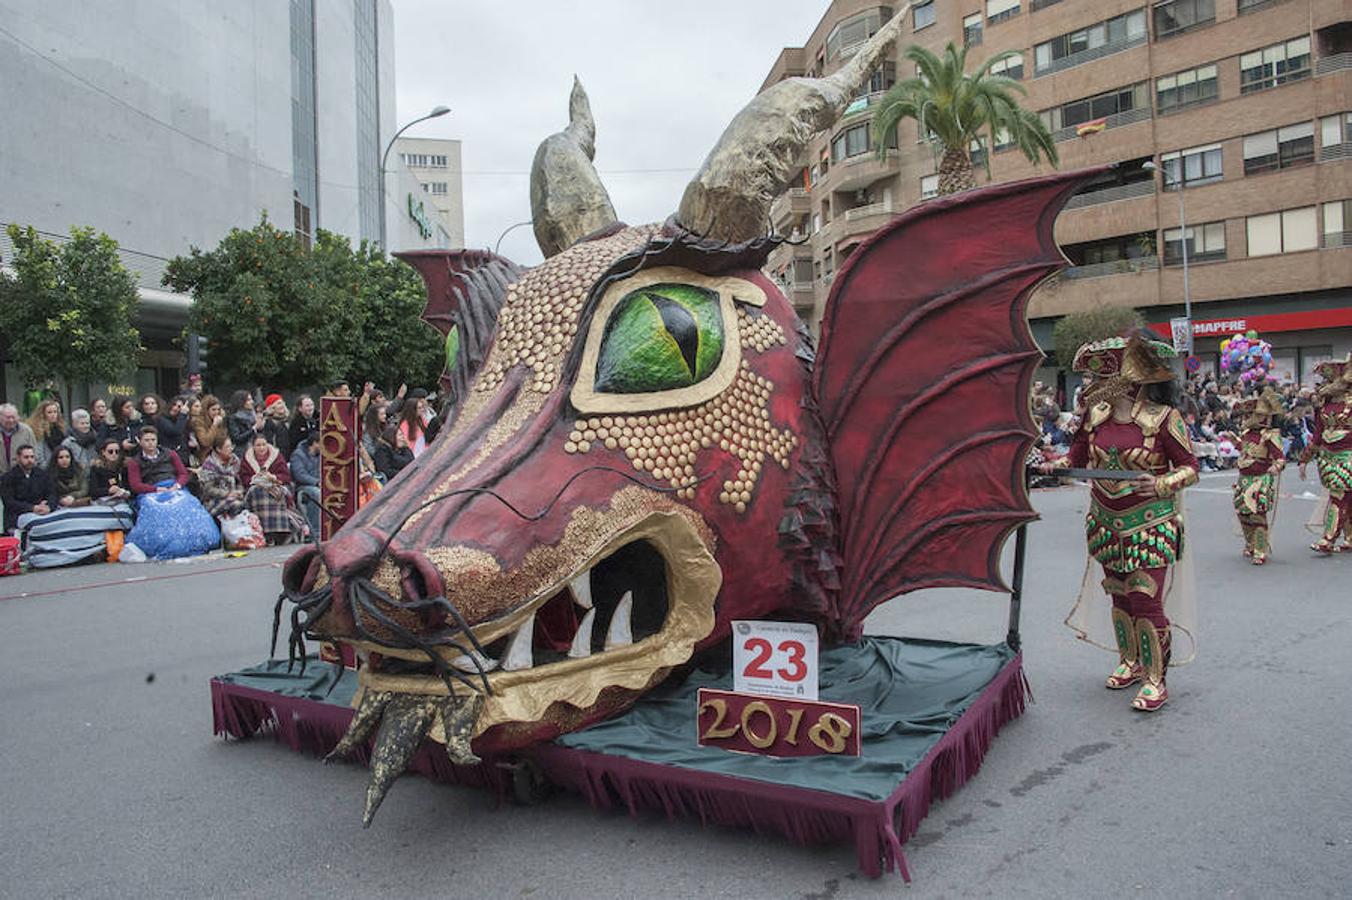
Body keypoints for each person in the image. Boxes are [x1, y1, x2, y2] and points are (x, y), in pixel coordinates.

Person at [1043, 333, 1198, 713]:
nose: (1090, 389)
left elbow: (1190, 468)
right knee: (1119, 594)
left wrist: (1161, 483)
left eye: (1098, 381)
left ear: (1126, 380)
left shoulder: (1164, 418)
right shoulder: (1094, 418)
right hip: (1104, 520)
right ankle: (1130, 661)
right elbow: (1076, 456)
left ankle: (1154, 679)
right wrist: (1051, 465)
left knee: (1145, 597)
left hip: (1150, 523)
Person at [1299, 356, 1352, 553]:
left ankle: (1328, 538)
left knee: (1339, 497)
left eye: (1329, 380)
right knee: (1346, 497)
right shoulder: (1324, 405)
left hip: (1349, 455)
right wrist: (1304, 460)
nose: (1325, 385)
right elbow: (1318, 435)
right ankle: (1350, 536)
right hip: (1329, 457)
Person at [1232, 389, 1287, 565]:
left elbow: (1280, 456)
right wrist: (1234, 442)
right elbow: (1244, 449)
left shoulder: (1269, 435)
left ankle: (1260, 549)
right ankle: (1250, 543)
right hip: (1243, 478)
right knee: (1243, 513)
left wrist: (1276, 466)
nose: (1246, 418)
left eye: (1250, 414)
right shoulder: (1246, 434)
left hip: (1260, 478)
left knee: (1257, 515)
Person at [240, 433, 306, 544]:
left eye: (263, 444)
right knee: (258, 491)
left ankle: (280, 529)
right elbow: (244, 477)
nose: (261, 448)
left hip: (276, 484)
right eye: (258, 445)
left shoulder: (276, 456)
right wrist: (255, 479)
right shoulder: (247, 459)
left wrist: (273, 477)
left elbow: (285, 476)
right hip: (255, 488)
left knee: (275, 491)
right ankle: (264, 530)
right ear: (253, 447)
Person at [0, 445, 57, 532]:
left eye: (32, 457)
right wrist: (32, 508)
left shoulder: (42, 474)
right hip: (17, 516)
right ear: (18, 458)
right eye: (26, 457)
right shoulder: (8, 477)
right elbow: (9, 502)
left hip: (42, 512)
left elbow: (52, 493)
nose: (30, 460)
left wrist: (49, 506)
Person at [197, 431, 248, 519]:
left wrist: (239, 491)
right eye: (227, 447)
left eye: (231, 446)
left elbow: (239, 481)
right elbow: (208, 489)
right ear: (218, 449)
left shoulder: (235, 461)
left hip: (233, 494)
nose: (231, 449)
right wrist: (227, 494)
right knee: (236, 505)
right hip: (215, 500)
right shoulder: (210, 465)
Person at [125, 426, 190, 495]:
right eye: (147, 440)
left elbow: (183, 473)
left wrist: (177, 485)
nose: (150, 443)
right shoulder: (134, 462)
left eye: (153, 440)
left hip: (174, 486)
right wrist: (155, 489)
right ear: (140, 442)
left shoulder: (171, 454)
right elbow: (135, 485)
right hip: (150, 491)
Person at [289, 437, 321, 538]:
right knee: (316, 494)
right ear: (315, 443)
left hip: (319, 484)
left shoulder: (321, 455)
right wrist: (317, 482)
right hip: (303, 487)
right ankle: (315, 531)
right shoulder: (298, 455)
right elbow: (300, 475)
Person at [88, 438, 132, 503]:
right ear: (103, 452)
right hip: (102, 501)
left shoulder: (124, 466)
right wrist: (108, 490)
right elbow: (93, 491)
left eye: (117, 451)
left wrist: (124, 491)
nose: (114, 454)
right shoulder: (96, 468)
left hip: (122, 500)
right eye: (110, 451)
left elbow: (128, 486)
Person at [0, 403, 38, 474]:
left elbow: (34, 454)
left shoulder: (26, 431)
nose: (11, 420)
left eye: (14, 417)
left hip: (21, 476)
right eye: (8, 417)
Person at [27, 400, 66, 468]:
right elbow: (39, 454)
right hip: (46, 467)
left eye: (55, 412)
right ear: (43, 414)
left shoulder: (59, 429)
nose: (53, 415)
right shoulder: (39, 430)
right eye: (49, 412)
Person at [189, 394, 225, 466]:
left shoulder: (219, 420)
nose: (216, 412)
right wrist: (214, 425)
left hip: (219, 454)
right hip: (206, 456)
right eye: (213, 410)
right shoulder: (198, 422)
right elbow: (205, 441)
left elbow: (222, 438)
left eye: (218, 409)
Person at [398, 389, 434, 458]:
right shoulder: (405, 424)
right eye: (419, 408)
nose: (422, 410)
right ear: (413, 410)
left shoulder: (422, 420)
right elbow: (407, 444)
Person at [260, 393, 292, 458]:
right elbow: (270, 442)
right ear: (272, 407)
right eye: (279, 403)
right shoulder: (269, 422)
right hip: (277, 457)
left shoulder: (287, 420)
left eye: (282, 402)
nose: (282, 405)